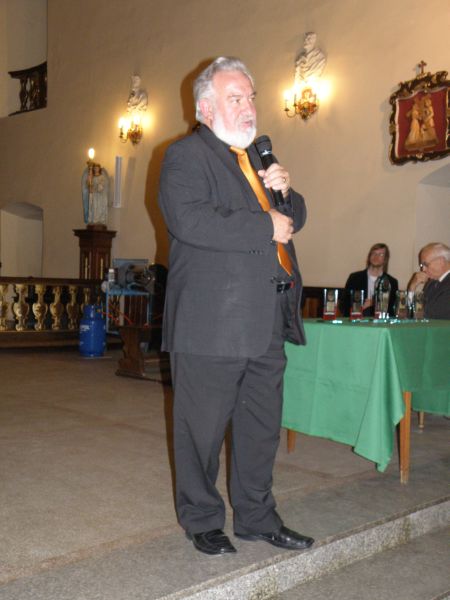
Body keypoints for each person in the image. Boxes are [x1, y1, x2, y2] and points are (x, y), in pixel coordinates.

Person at [158, 57, 313, 556]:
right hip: (211, 323)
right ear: (206, 108)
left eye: (250, 97)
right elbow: (190, 221)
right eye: (235, 98)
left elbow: (292, 218)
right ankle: (202, 519)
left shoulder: (258, 161)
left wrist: (285, 192)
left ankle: (256, 517)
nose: (248, 107)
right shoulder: (185, 156)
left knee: (260, 429)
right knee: (201, 431)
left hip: (266, 318)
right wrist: (266, 224)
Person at [342, 243, 398, 317]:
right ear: (369, 256)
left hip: (381, 321)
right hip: (358, 320)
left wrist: (374, 303)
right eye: (374, 253)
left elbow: (392, 310)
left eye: (381, 254)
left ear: (385, 259)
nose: (376, 257)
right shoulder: (355, 278)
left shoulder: (392, 282)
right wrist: (360, 307)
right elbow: (344, 304)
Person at [407, 243, 450, 319]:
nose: (423, 269)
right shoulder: (431, 283)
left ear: (441, 261)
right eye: (421, 265)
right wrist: (412, 287)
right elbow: (408, 311)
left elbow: (429, 315)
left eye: (425, 264)